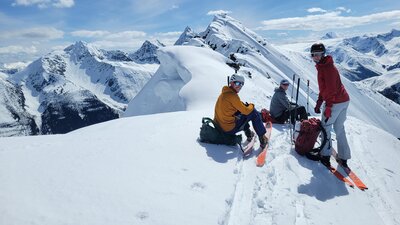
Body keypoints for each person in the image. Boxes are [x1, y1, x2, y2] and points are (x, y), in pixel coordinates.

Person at [311, 43, 351, 168]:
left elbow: (331, 90)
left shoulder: (326, 68)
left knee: (325, 127)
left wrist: (328, 107)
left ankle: (325, 156)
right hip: (343, 100)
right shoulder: (325, 66)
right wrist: (319, 102)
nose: (315, 57)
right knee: (339, 128)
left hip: (335, 102)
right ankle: (344, 157)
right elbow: (325, 88)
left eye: (318, 54)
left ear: (323, 54)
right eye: (313, 55)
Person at [214, 74, 268, 148]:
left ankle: (249, 134)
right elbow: (246, 111)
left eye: (241, 84)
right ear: (231, 82)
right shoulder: (233, 96)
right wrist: (252, 105)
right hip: (228, 129)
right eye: (237, 83)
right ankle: (262, 138)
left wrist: (243, 107)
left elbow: (236, 107)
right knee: (253, 113)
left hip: (220, 126)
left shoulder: (224, 93)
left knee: (240, 115)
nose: (239, 86)